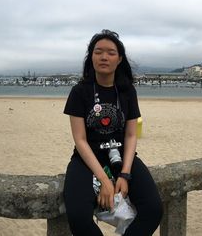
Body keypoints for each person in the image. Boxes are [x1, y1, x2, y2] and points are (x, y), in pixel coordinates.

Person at [63, 29, 162, 235]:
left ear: (119, 59)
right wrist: (105, 180)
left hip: (122, 158)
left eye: (110, 52)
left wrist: (125, 174)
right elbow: (80, 140)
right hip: (87, 159)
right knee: (78, 217)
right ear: (91, 57)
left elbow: (131, 135)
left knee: (153, 210)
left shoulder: (127, 91)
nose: (104, 57)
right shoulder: (80, 91)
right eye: (98, 52)